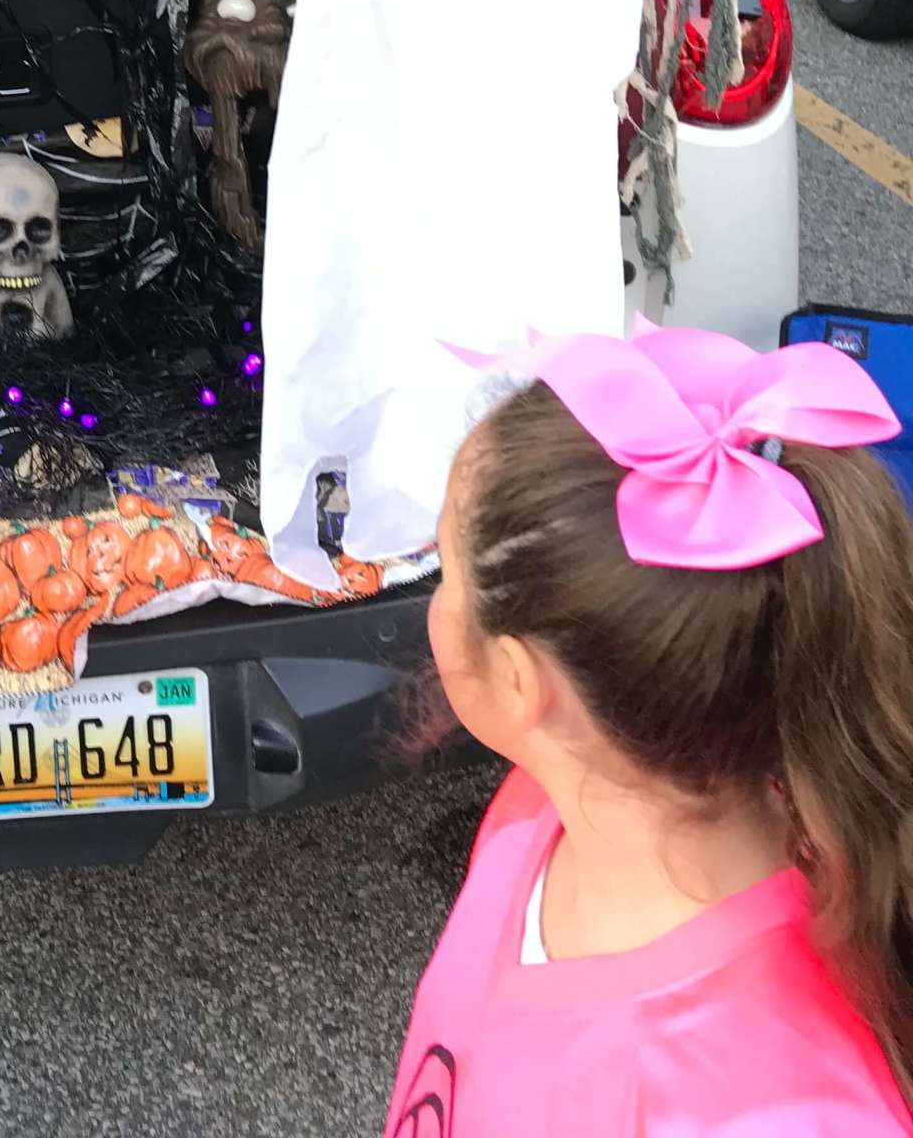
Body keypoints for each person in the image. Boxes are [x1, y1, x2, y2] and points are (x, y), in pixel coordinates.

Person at [388, 321, 913, 1135]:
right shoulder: (543, 812)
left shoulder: (785, 1112)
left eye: (444, 569)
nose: (436, 602)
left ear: (524, 681)